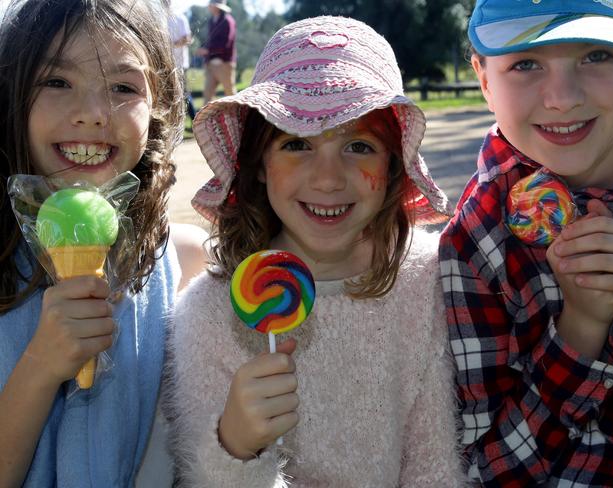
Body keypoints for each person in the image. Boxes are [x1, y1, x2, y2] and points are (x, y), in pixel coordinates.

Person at [163, 15, 468, 487]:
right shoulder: (208, 314)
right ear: (258, 163)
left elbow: (434, 469)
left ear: (392, 166)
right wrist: (236, 448)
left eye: (360, 146)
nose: (328, 179)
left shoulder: (427, 280)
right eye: (297, 143)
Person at [440, 0, 613, 485]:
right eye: (526, 64)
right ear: (484, 78)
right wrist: (580, 328)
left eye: (596, 55)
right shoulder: (476, 239)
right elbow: (492, 470)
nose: (562, 98)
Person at [0, 0, 206, 486]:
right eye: (56, 81)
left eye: (122, 87)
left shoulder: (186, 266)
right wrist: (41, 365)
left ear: (158, 106)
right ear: (9, 94)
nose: (93, 114)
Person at [196, 0, 236, 104]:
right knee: (207, 97)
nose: (209, 7)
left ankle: (241, 119)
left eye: (211, 5)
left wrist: (207, 51)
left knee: (231, 95)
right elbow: (210, 41)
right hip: (211, 65)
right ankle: (207, 120)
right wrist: (205, 54)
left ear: (217, 7)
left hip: (224, 64)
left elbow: (226, 43)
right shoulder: (211, 21)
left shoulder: (228, 21)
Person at [165, 0, 197, 120]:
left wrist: (171, 45)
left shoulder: (180, 18)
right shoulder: (160, 19)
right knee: (170, 95)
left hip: (179, 64)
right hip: (165, 63)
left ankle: (194, 120)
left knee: (183, 94)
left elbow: (187, 38)